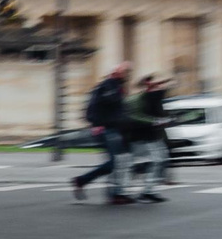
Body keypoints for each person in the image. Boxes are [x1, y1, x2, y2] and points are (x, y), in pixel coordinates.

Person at [73, 63, 133, 204]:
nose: (127, 75)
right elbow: (93, 108)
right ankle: (83, 180)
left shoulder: (115, 87)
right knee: (114, 163)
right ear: (115, 72)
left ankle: (116, 193)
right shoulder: (106, 87)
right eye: (125, 72)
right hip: (107, 129)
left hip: (116, 129)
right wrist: (97, 124)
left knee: (118, 162)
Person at [128, 73, 172, 200]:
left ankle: (148, 190)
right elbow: (136, 116)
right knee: (131, 164)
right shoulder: (139, 99)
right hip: (141, 136)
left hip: (153, 135)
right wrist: (155, 121)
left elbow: (159, 111)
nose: (160, 87)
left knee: (161, 160)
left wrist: (165, 119)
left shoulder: (153, 96)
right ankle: (123, 190)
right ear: (147, 85)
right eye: (155, 84)